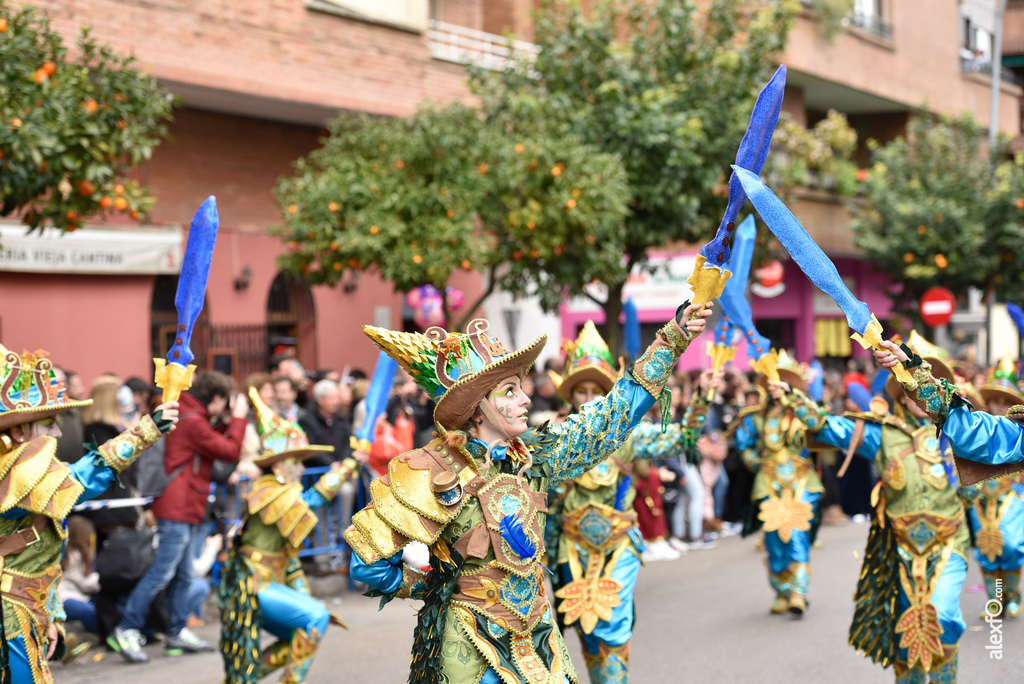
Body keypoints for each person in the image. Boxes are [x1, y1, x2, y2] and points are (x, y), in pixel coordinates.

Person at [345, 305, 710, 684]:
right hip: (469, 643)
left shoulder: (537, 458)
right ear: (477, 407)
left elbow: (614, 414)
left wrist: (673, 339)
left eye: (521, 388)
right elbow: (366, 563)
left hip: (536, 635)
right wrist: (434, 588)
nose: (526, 400)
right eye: (510, 390)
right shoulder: (430, 468)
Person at [0, 344, 178, 683]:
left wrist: (51, 614)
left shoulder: (31, 483)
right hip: (10, 612)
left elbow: (41, 557)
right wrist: (145, 432)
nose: (58, 433)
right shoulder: (12, 480)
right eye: (48, 424)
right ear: (17, 433)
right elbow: (83, 476)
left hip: (24, 607)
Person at [816, 334, 967, 682]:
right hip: (900, 548)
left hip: (949, 544)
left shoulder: (962, 429)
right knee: (905, 627)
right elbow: (828, 427)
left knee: (941, 615)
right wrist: (796, 402)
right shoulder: (883, 433)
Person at [219, 387, 356, 683]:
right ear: (279, 464)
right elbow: (312, 499)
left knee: (303, 631)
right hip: (253, 583)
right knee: (314, 620)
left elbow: (290, 560)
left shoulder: (281, 493)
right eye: (295, 461)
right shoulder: (268, 490)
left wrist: (306, 597)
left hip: (266, 582)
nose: (300, 467)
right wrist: (349, 465)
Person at [109, 370, 247, 664]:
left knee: (183, 574)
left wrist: (226, 420)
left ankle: (176, 631)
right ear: (219, 398)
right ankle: (126, 627)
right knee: (163, 570)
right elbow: (230, 449)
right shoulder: (193, 422)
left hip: (185, 505)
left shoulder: (190, 416)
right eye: (227, 403)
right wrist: (238, 419)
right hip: (177, 506)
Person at [733, 351, 823, 616]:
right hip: (769, 480)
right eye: (772, 383)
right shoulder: (756, 417)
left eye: (783, 382)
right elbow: (744, 445)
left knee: (795, 529)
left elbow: (821, 426)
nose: (776, 388)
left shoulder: (804, 413)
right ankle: (782, 591)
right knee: (773, 537)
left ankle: (798, 591)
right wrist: (757, 462)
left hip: (803, 480)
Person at [298, 378, 353, 466]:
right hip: (318, 470)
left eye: (336, 398)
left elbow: (348, 442)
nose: (335, 402)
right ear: (320, 400)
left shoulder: (342, 417)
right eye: (331, 398)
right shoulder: (307, 420)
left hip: (341, 468)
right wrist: (330, 463)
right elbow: (311, 447)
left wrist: (342, 462)